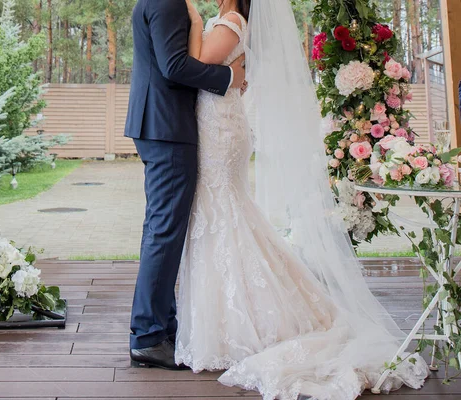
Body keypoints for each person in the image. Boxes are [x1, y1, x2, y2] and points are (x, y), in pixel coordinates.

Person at [173, 0, 431, 398]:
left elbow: (197, 63)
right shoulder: (225, 20)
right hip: (216, 123)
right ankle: (219, 317)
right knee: (223, 214)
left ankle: (249, 320)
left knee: (224, 213)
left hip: (219, 131)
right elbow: (214, 69)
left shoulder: (231, 20)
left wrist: (192, 21)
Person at [124, 0, 246, 370]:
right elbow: (173, 65)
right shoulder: (168, 1)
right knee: (164, 231)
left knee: (162, 229)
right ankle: (147, 336)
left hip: (159, 124)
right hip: (167, 127)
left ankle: (162, 326)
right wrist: (228, 79)